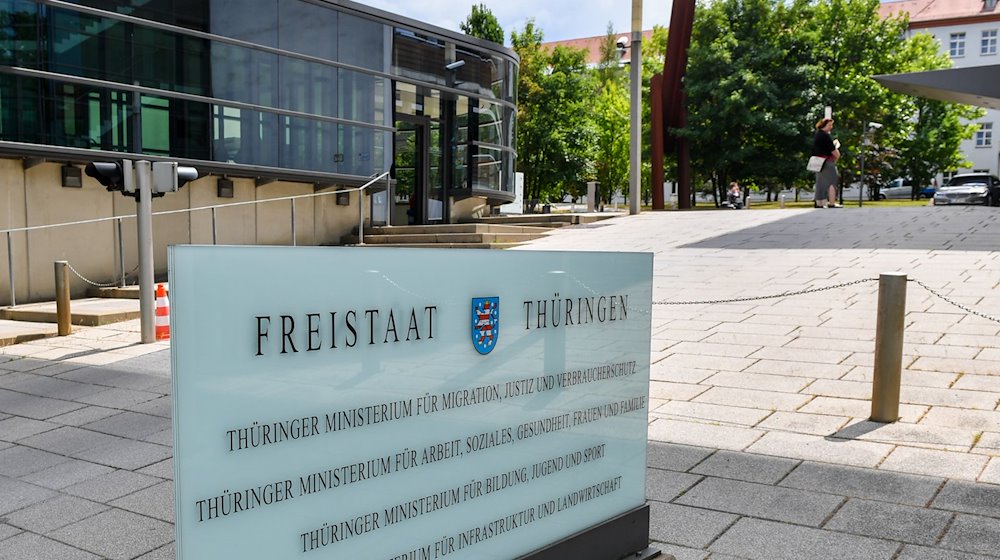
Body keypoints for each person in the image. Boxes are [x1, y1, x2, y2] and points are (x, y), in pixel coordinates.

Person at [812, 118, 842, 208]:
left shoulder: (817, 135)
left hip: (818, 162)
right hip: (827, 162)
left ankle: (819, 202)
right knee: (832, 181)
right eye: (829, 125)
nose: (831, 127)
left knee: (820, 182)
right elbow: (834, 152)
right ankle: (832, 202)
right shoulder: (826, 136)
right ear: (824, 125)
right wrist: (837, 150)